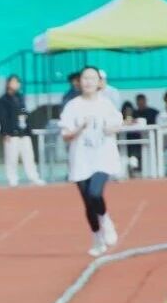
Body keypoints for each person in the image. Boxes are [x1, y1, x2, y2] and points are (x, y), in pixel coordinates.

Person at [60, 66, 123, 257]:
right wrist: (79, 128)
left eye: (92, 78)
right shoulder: (72, 106)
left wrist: (110, 129)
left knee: (95, 193)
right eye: (85, 78)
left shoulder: (106, 104)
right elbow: (65, 135)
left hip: (102, 157)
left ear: (99, 83)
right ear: (79, 82)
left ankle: (105, 219)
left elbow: (117, 124)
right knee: (88, 202)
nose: (88, 82)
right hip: (81, 159)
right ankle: (97, 238)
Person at [0, 74, 44, 187]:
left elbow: (24, 110)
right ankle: (12, 178)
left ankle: (33, 177)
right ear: (8, 84)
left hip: (24, 131)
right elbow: (2, 117)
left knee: (29, 156)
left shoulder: (20, 97)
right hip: (11, 133)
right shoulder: (3, 100)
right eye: (14, 82)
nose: (16, 84)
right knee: (11, 157)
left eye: (17, 82)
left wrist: (26, 119)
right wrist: (5, 132)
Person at [120, 100, 143, 176]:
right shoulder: (119, 119)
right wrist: (124, 123)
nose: (128, 112)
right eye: (126, 110)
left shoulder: (136, 119)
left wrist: (134, 122)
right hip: (123, 142)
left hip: (135, 143)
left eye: (129, 110)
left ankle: (133, 166)